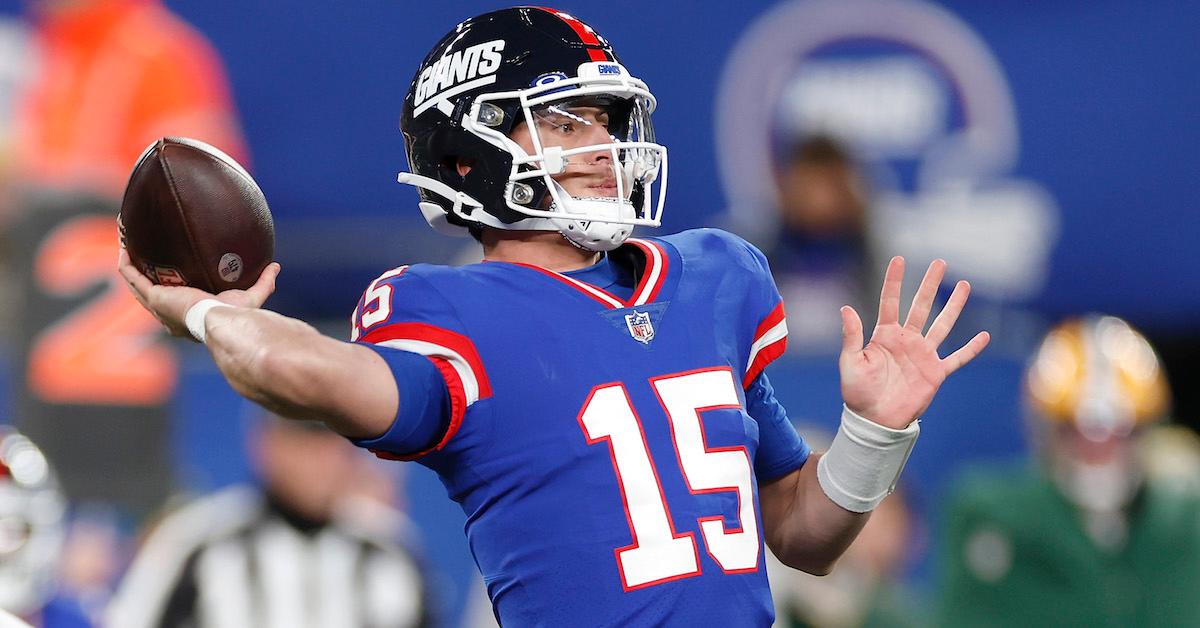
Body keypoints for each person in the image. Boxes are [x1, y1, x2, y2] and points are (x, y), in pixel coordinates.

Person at [117, 7, 989, 626]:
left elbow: (804, 537)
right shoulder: (447, 309)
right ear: (470, 153)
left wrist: (872, 435)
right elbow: (299, 370)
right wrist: (210, 316)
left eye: (607, 119)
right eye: (567, 121)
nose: (604, 146)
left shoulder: (717, 278)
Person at [936, 315, 1200, 626]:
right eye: (1076, 432)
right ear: (1047, 433)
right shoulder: (990, 513)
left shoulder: (1182, 518)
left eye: (1120, 433)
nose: (1099, 453)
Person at [105, 412, 434, 628]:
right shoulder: (198, 540)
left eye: (334, 441)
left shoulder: (390, 548)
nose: (323, 461)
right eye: (304, 442)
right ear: (265, 444)